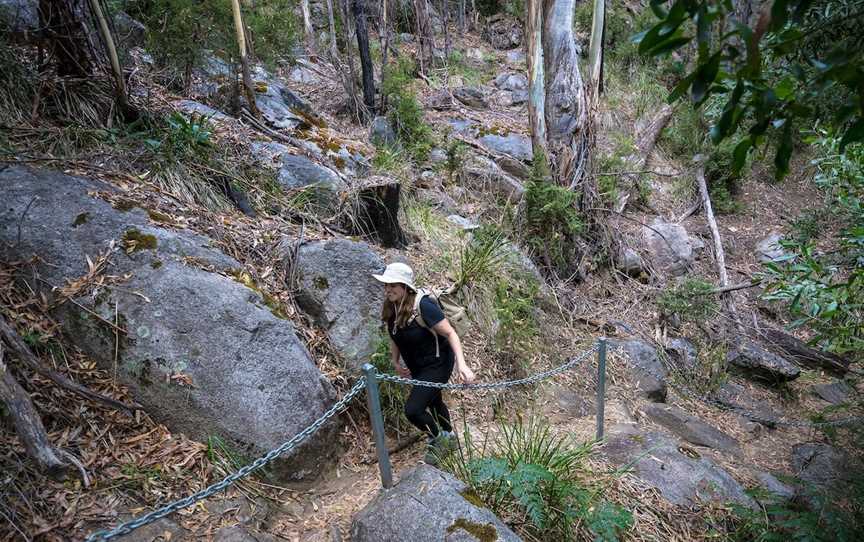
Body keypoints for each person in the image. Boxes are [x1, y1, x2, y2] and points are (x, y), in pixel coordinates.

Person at [372, 262, 475, 464]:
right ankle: (449, 437)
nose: (388, 289)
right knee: (434, 400)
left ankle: (439, 440)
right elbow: (395, 335)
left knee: (413, 410)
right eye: (386, 284)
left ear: (405, 287)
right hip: (418, 365)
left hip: (438, 363)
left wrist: (462, 365)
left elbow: (450, 333)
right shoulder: (392, 306)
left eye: (393, 284)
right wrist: (395, 361)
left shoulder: (424, 306)